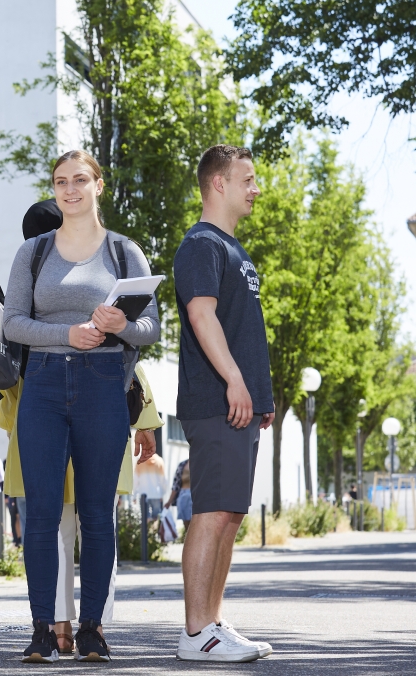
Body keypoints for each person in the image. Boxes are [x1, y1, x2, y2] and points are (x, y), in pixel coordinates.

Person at [3, 150, 161, 663]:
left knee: (96, 513)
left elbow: (150, 328)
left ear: (98, 185)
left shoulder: (123, 252)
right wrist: (65, 333)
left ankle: (91, 628)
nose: (69, 190)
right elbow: (12, 324)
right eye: (59, 182)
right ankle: (42, 630)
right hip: (43, 386)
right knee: (41, 511)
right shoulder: (33, 252)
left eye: (78, 180)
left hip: (102, 384)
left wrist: (120, 328)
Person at [172, 145, 275, 663]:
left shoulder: (233, 248)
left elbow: (242, 329)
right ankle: (195, 633)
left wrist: (261, 395)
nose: (256, 188)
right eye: (248, 179)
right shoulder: (202, 245)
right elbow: (202, 317)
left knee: (229, 515)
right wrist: (235, 381)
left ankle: (211, 622)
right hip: (216, 401)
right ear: (218, 183)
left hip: (239, 404)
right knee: (211, 514)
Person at [133, 452, 168, 521]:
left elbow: (135, 480)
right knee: (157, 518)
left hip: (143, 494)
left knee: (146, 519)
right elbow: (163, 480)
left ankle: (147, 531)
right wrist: (162, 494)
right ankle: (155, 531)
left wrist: (134, 495)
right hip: (156, 494)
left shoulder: (140, 461)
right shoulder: (159, 461)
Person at [176, 463, 193, 534]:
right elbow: (176, 484)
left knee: (195, 520)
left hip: (195, 494)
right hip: (183, 494)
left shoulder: (202, 462)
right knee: (186, 522)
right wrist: (169, 502)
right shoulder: (182, 465)